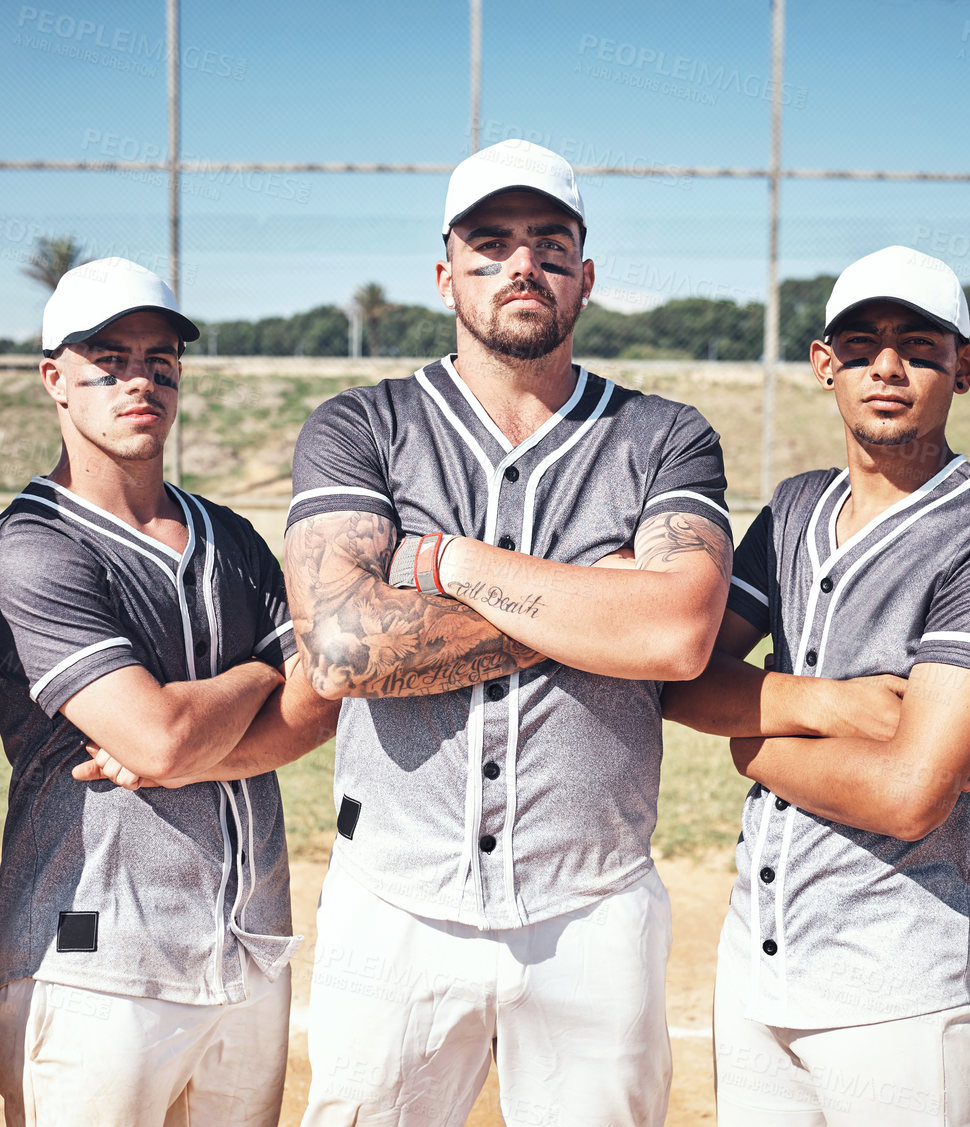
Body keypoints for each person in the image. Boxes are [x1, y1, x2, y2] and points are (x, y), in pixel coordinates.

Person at [285, 138, 733, 1125]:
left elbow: (675, 636)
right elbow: (343, 648)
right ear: (446, 274)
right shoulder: (364, 424)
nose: (521, 264)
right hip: (391, 902)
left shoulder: (664, 435)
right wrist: (594, 605)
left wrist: (451, 565)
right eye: (490, 244)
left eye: (549, 243)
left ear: (583, 276)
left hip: (592, 905)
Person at [663, 245, 970, 1126]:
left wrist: (748, 735)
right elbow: (679, 677)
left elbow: (911, 793)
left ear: (969, 364)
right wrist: (822, 706)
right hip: (756, 959)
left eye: (920, 345)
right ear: (824, 364)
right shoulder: (799, 505)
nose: (887, 366)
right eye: (860, 345)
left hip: (899, 982)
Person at [0, 257, 339, 1126]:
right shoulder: (27, 545)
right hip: (96, 956)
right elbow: (157, 737)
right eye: (108, 357)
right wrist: (259, 674)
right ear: (54, 378)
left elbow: (322, 698)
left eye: (159, 357)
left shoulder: (233, 535)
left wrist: (187, 743)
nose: (140, 378)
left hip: (248, 942)